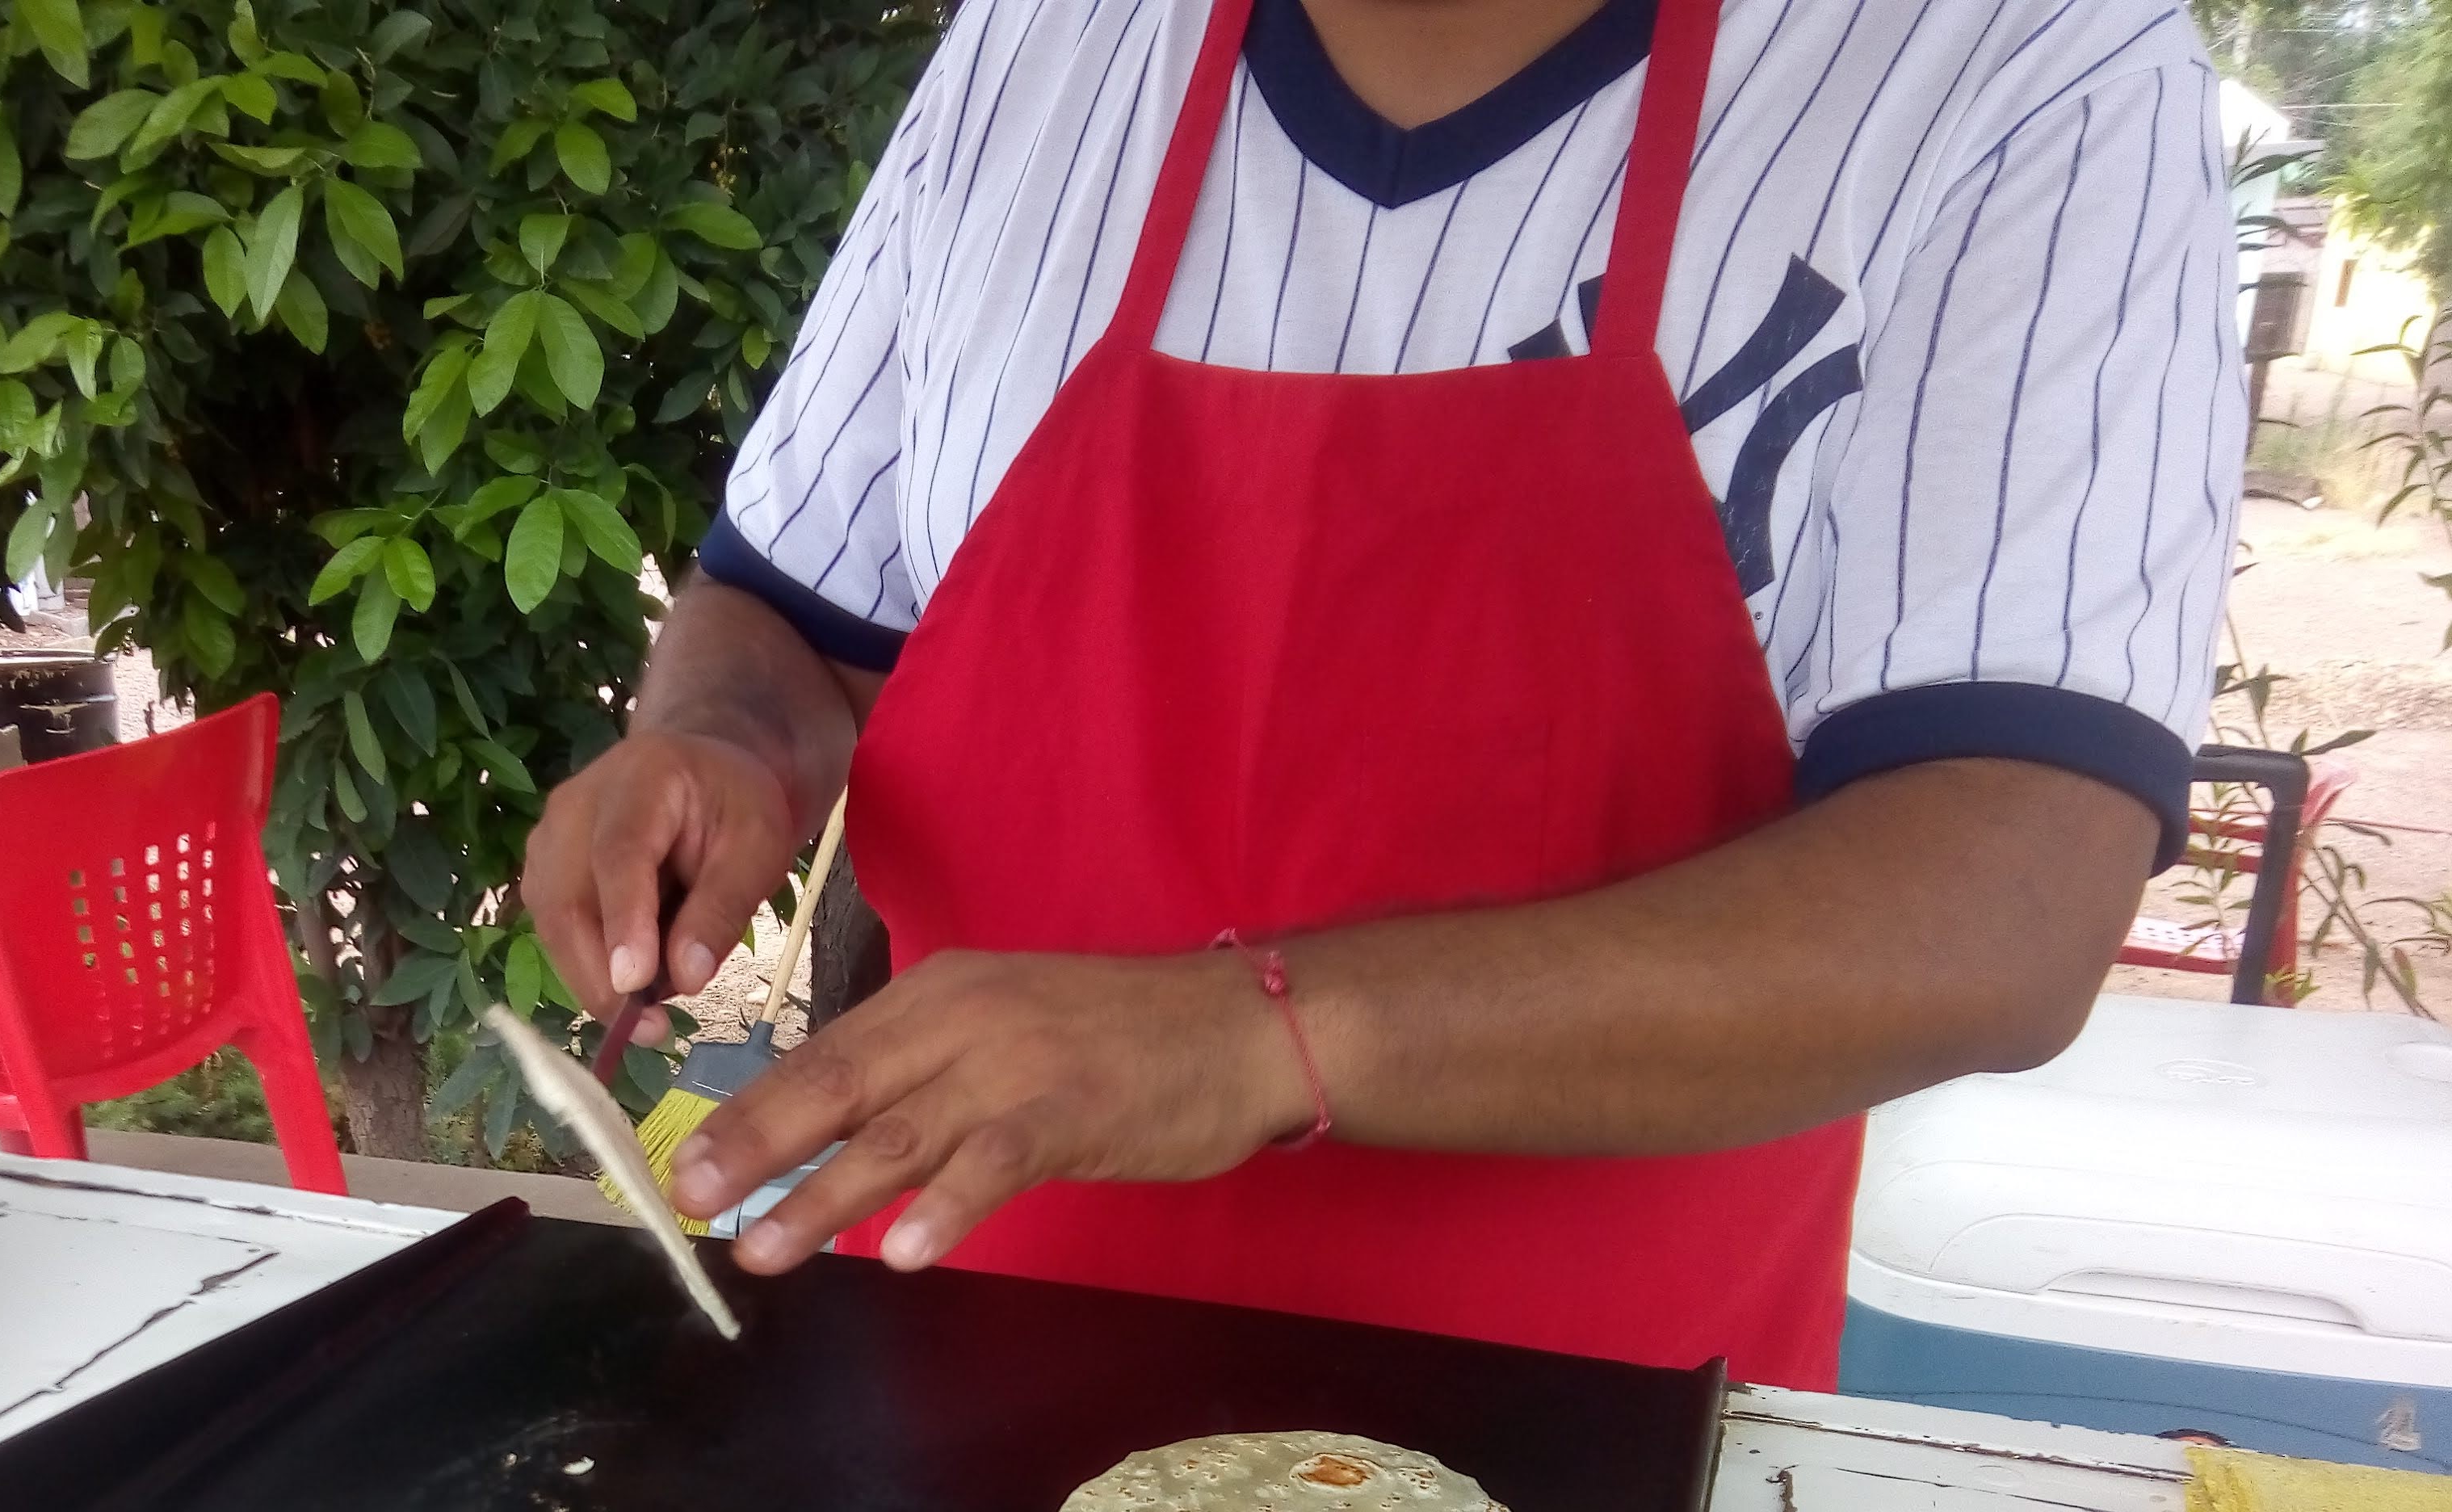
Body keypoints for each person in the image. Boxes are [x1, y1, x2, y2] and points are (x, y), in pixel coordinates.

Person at [524, 0, 2241, 1386]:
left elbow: (2004, 900)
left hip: (1604, 1436)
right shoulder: (1036, 48)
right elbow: (796, 615)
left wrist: (1259, 1031)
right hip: (958, 1351)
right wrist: (722, 740)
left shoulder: (2022, 60)